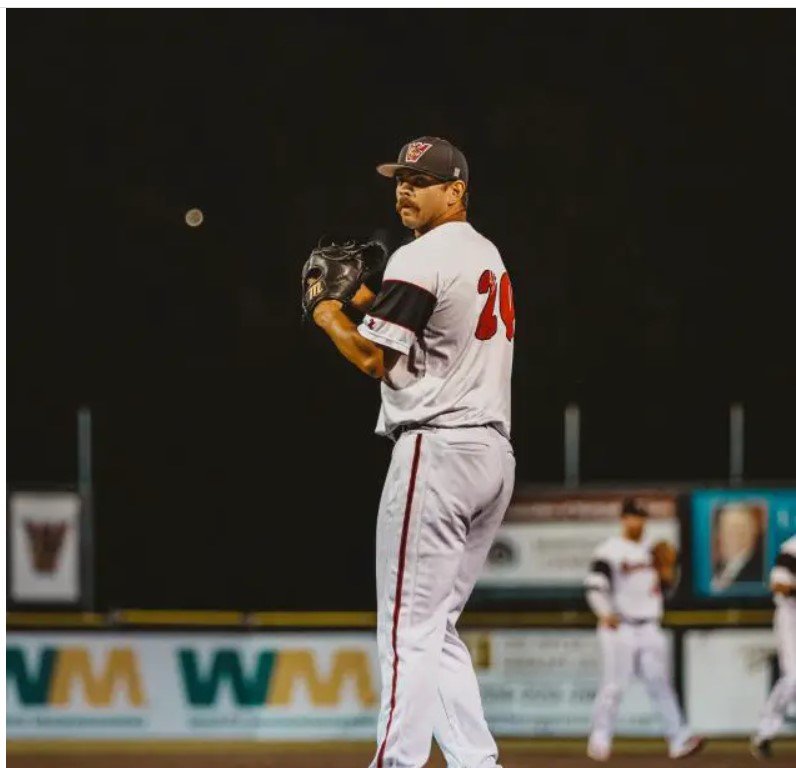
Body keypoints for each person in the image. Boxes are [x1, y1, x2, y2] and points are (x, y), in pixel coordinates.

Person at [308, 137, 515, 768]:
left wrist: (324, 310)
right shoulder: (486, 253)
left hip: (438, 451)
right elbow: (424, 332)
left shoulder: (420, 256)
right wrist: (368, 302)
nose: (404, 189)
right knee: (436, 629)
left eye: (420, 180)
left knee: (405, 630)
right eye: (400, 179)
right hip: (492, 455)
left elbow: (375, 357)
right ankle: (477, 762)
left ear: (456, 191)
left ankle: (393, 762)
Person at [583, 499, 705, 761]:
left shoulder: (654, 549)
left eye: (641, 516)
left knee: (661, 683)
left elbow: (666, 588)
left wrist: (668, 571)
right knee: (613, 687)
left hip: (650, 625)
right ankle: (600, 740)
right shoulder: (609, 550)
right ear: (623, 519)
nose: (637, 521)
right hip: (620, 626)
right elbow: (594, 586)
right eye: (632, 516)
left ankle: (679, 739)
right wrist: (604, 613)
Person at [751, 534, 796, 759]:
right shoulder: (791, 549)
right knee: (794, 678)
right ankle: (764, 732)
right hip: (791, 617)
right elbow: (778, 584)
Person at [711, 502, 765, 592]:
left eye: (738, 529)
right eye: (725, 529)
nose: (733, 535)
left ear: (752, 533)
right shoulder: (722, 566)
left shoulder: (755, 573)